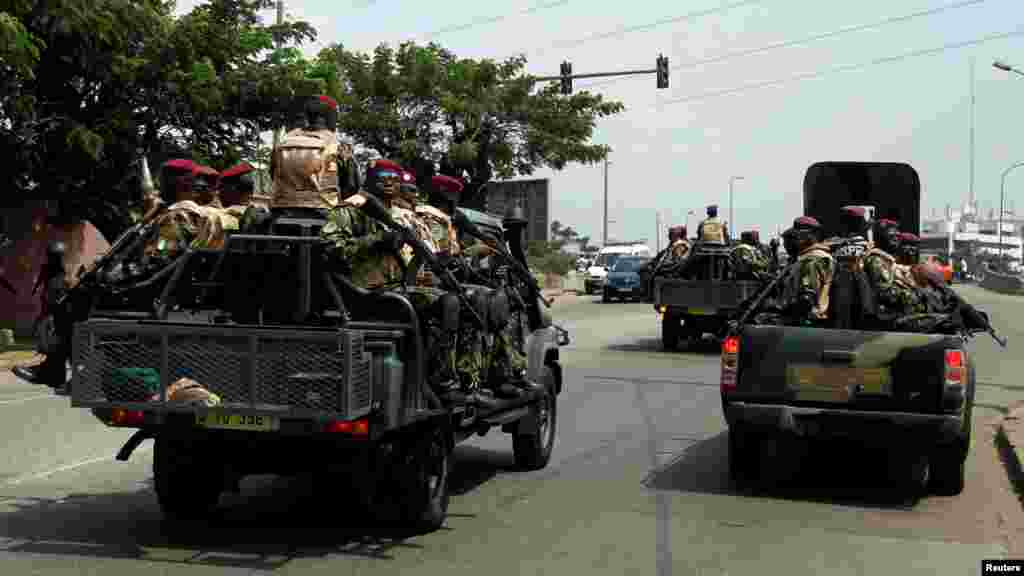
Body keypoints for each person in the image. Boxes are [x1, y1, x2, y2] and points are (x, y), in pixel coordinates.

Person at [268, 95, 343, 219]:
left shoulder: (285, 140)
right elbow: (350, 184)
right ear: (327, 116)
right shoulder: (334, 143)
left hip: (281, 209)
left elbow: (273, 173)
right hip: (323, 210)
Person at [12, 240, 69, 388]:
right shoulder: (55, 272)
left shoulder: (58, 275)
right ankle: (50, 374)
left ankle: (50, 375)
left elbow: (54, 298)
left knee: (53, 344)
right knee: (51, 345)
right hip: (51, 313)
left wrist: (48, 315)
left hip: (53, 315)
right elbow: (44, 289)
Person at [862, 219, 928, 318]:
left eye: (897, 236)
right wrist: (916, 295)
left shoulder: (887, 260)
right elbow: (885, 293)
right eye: (891, 236)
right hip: (887, 316)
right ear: (880, 237)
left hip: (897, 312)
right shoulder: (876, 260)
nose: (896, 239)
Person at [778, 216, 835, 323]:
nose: (797, 236)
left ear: (813, 234)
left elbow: (807, 299)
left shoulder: (813, 258)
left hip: (808, 321)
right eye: (796, 233)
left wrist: (782, 312)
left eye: (801, 233)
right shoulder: (804, 257)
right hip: (803, 320)